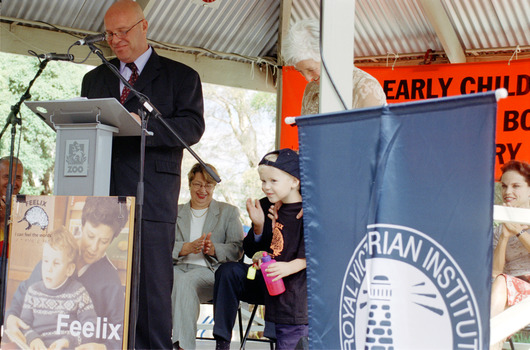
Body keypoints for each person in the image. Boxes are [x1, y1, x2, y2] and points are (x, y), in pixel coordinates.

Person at [80, 0, 205, 348]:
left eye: (123, 32)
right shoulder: (95, 78)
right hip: (102, 195)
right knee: (100, 282)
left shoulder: (181, 76)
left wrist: (144, 126)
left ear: (144, 26)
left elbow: (192, 127)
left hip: (152, 195)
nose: (116, 40)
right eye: (109, 34)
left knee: (150, 287)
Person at [5, 197, 130, 350]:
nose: (93, 247)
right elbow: (24, 295)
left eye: (103, 241)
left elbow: (121, 335)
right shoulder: (55, 256)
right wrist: (10, 317)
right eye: (90, 236)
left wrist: (103, 347)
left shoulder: (110, 282)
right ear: (82, 225)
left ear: (112, 240)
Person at [214, 149, 307, 350]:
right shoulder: (264, 205)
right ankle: (222, 342)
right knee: (228, 271)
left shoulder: (307, 208)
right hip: (265, 276)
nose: (266, 187)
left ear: (294, 181)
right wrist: (258, 226)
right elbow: (249, 251)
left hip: (292, 288)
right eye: (263, 182)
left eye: (273, 181)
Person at [171, 163, 243, 350]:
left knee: (184, 281)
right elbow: (160, 247)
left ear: (214, 187)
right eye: (197, 184)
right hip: (177, 269)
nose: (203, 190)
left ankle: (182, 347)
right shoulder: (174, 212)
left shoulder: (228, 212)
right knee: (172, 279)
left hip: (211, 274)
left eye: (208, 185)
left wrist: (214, 249)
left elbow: (237, 250)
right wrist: (184, 248)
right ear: (189, 184)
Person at [282, 18, 386, 115]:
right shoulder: (311, 90)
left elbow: (374, 133)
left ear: (329, 57)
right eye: (300, 71)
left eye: (311, 69)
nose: (307, 78)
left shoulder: (365, 87)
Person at [15, 227, 97, 349]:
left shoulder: (78, 293)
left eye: (56, 263)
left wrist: (68, 341)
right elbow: (24, 325)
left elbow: (91, 327)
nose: (49, 268)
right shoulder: (33, 292)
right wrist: (33, 339)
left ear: (69, 269)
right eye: (46, 261)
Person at [491, 159, 530, 319]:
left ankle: (485, 339)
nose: (508, 192)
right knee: (499, 284)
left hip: (519, 288)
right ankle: (490, 342)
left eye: (516, 186)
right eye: (504, 186)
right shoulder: (499, 228)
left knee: (501, 284)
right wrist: (504, 237)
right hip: (505, 289)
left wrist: (519, 232)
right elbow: (495, 272)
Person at [0, 156, 24, 254]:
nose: (12, 183)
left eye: (18, 178)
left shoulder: (25, 205)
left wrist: (5, 221)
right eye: (7, 177)